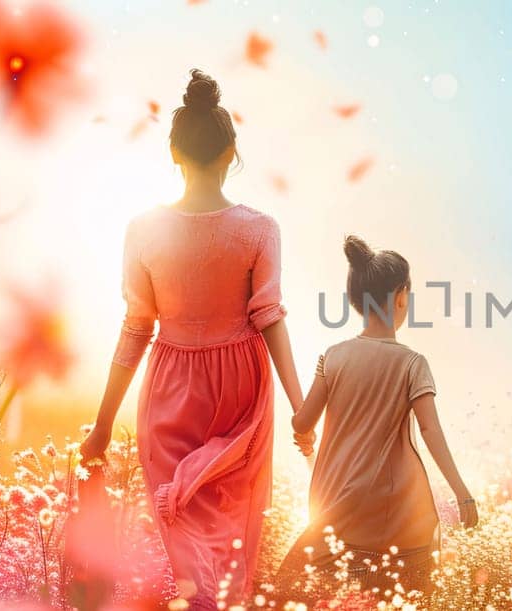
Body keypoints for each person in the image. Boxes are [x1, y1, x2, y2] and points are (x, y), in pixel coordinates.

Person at [79, 69, 305, 610]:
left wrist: (104, 424)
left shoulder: (142, 230)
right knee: (232, 541)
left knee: (183, 539)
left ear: (174, 153)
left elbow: (137, 328)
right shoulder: (259, 229)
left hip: (168, 389)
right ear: (232, 152)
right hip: (241, 391)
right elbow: (269, 317)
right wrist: (302, 408)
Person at [279, 235, 478, 600]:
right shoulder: (413, 364)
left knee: (291, 593)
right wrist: (462, 493)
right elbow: (431, 430)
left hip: (336, 515)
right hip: (401, 522)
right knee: (402, 600)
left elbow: (301, 422)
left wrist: (303, 435)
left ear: (357, 301)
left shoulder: (333, 357)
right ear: (402, 296)